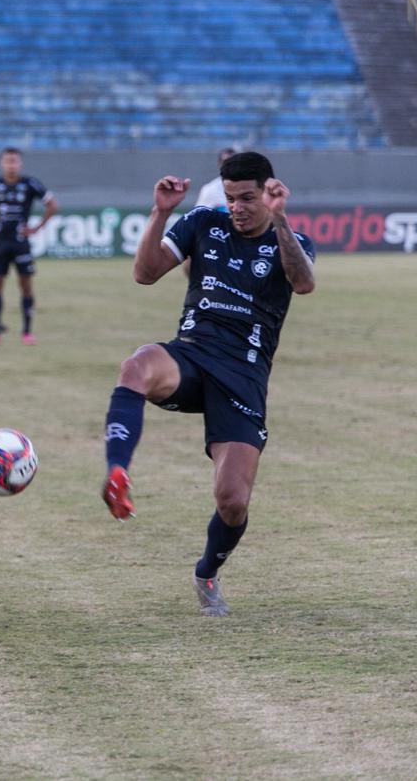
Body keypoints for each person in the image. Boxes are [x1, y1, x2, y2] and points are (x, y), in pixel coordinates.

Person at [99, 152, 316, 617]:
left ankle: (206, 571)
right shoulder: (203, 222)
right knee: (136, 366)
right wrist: (160, 212)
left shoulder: (292, 241)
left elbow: (303, 284)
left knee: (233, 501)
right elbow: (144, 273)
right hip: (192, 354)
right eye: (230, 198)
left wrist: (280, 221)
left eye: (247, 198)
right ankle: (118, 473)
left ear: (270, 193)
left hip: (244, 375)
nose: (237, 207)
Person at [0, 147, 58, 345]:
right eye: (7, 161)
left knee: (26, 285)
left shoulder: (30, 183)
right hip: (0, 243)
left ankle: (27, 332)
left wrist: (37, 227)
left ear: (19, 163)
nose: (11, 165)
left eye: (14, 161)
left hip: (21, 243)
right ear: (2, 163)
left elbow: (52, 205)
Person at [193, 147, 238, 212]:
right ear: (219, 164)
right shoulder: (210, 190)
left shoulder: (247, 187)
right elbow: (199, 215)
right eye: (226, 162)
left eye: (234, 162)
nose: (230, 166)